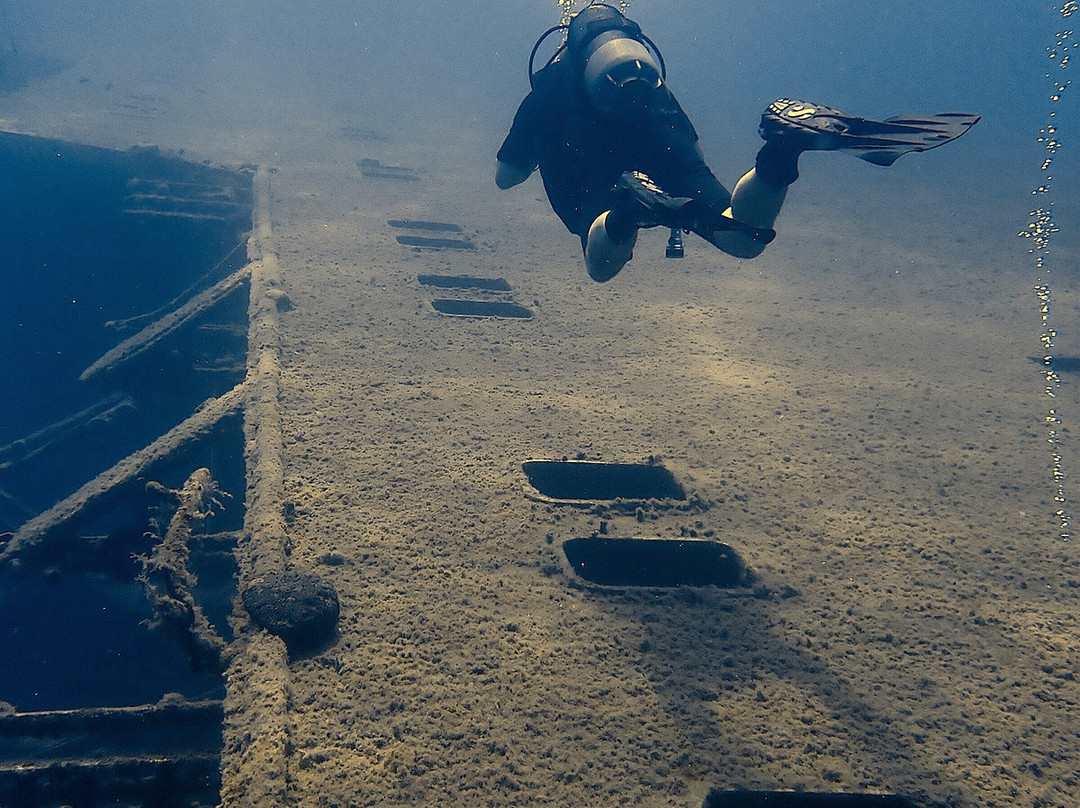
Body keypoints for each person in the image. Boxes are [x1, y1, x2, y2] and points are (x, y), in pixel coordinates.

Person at [496, 3, 979, 283]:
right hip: (664, 143)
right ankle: (781, 150)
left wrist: (534, 151)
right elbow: (684, 137)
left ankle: (625, 208)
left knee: (601, 266)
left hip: (598, 175)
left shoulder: (547, 90)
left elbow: (506, 177)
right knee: (742, 238)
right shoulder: (649, 85)